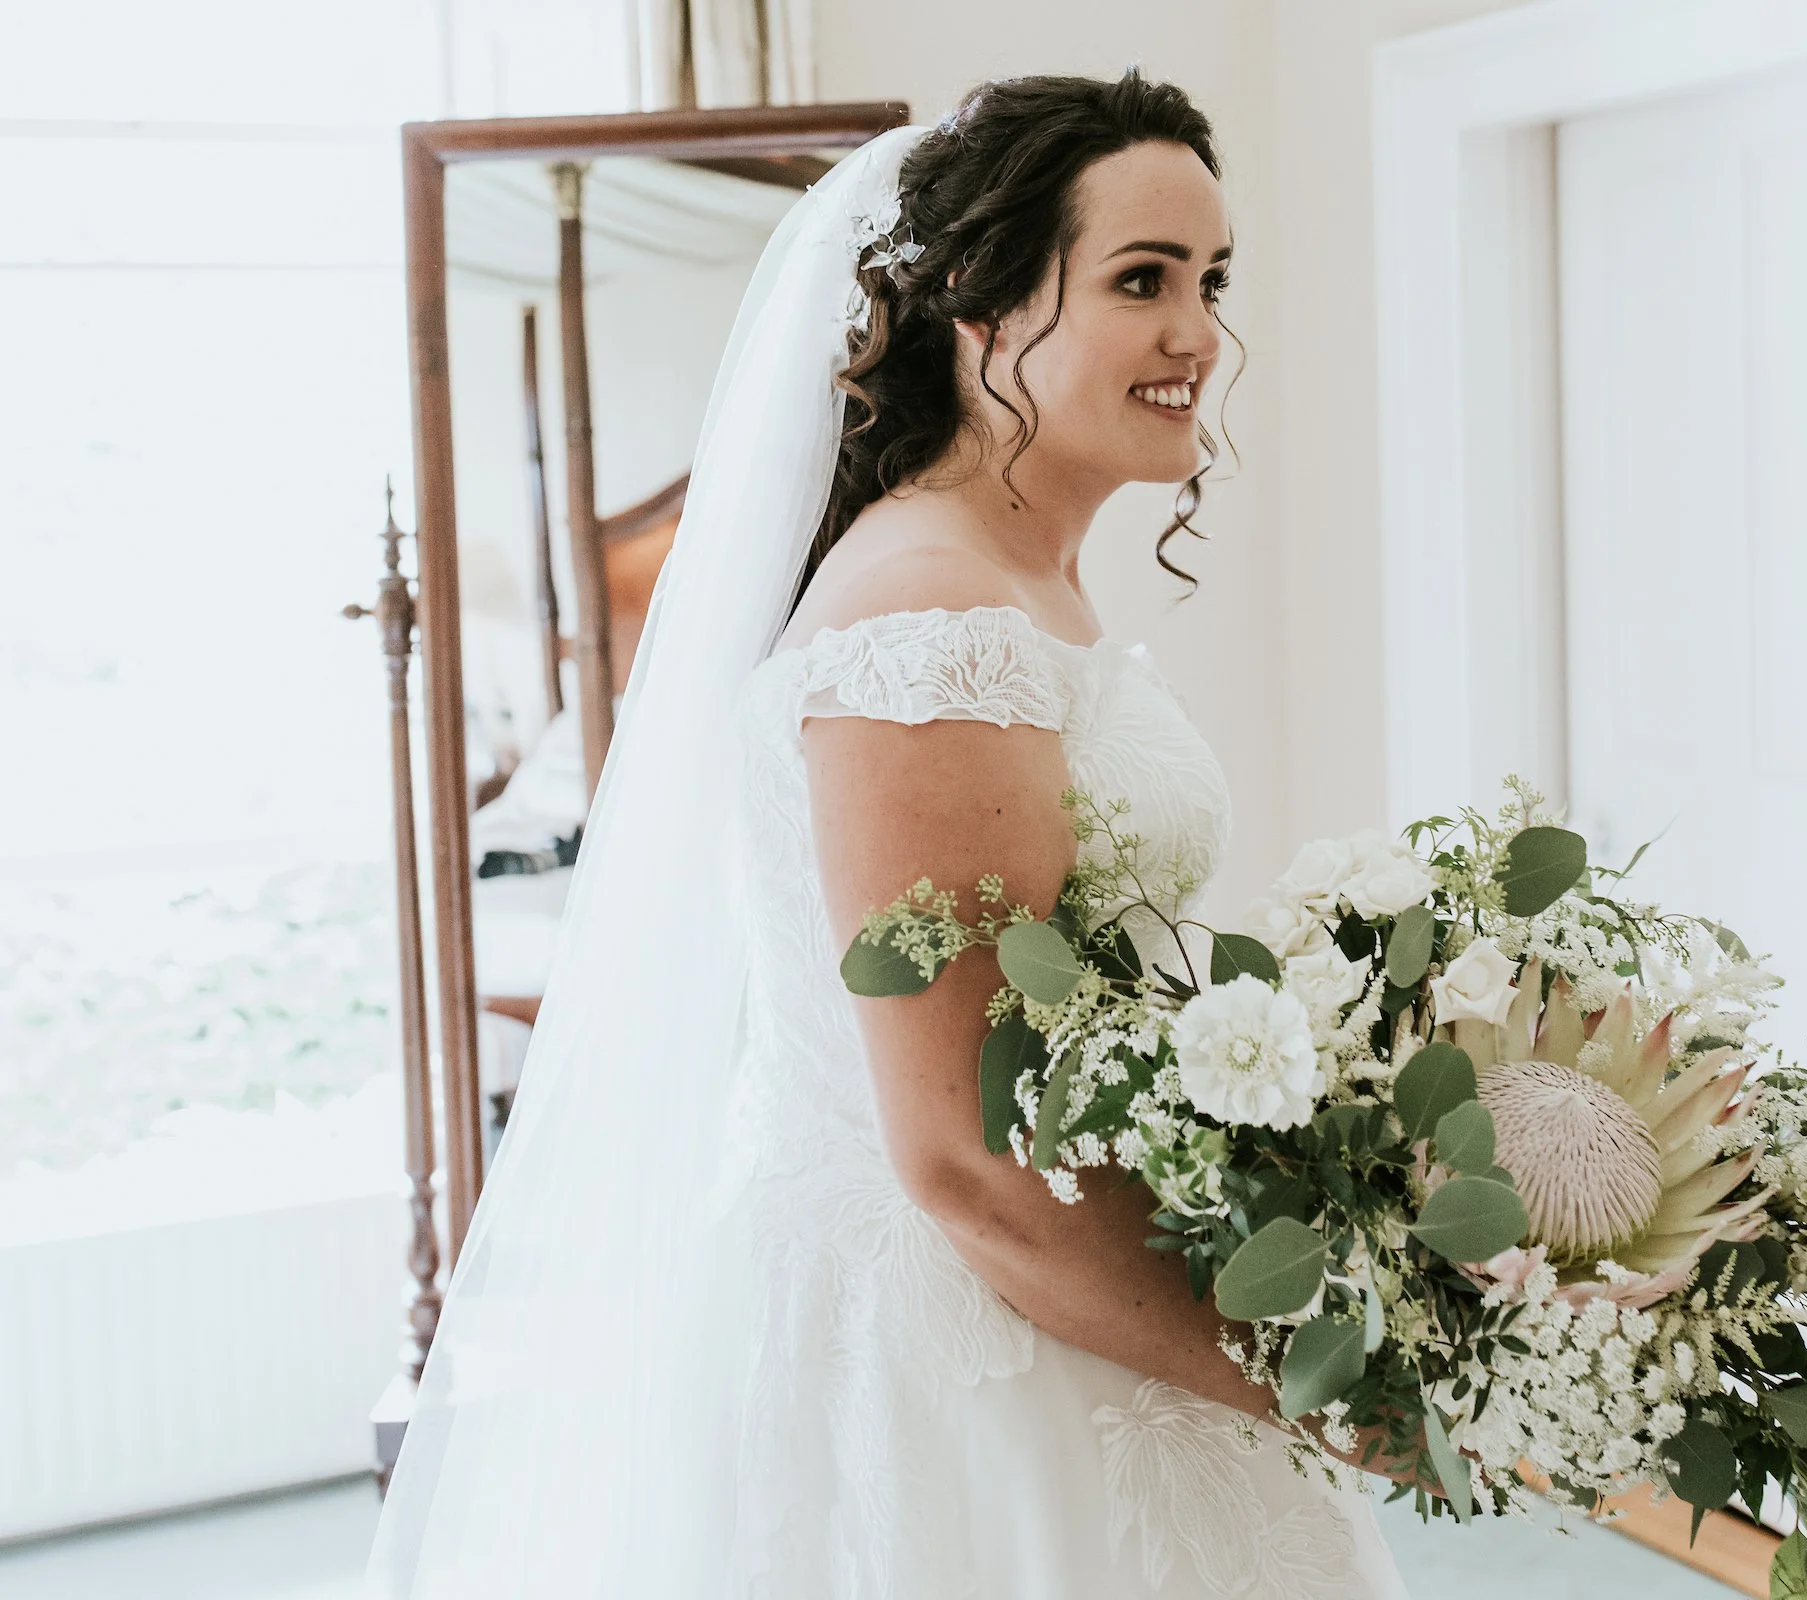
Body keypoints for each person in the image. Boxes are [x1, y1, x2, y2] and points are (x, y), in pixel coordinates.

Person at [369, 72, 1407, 1598]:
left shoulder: (1007, 579)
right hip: (953, 1365)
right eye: (1140, 280)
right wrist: (1303, 1373)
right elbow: (965, 1159)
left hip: (1040, 1283)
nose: (1199, 334)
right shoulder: (929, 621)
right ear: (979, 313)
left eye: (1209, 279)